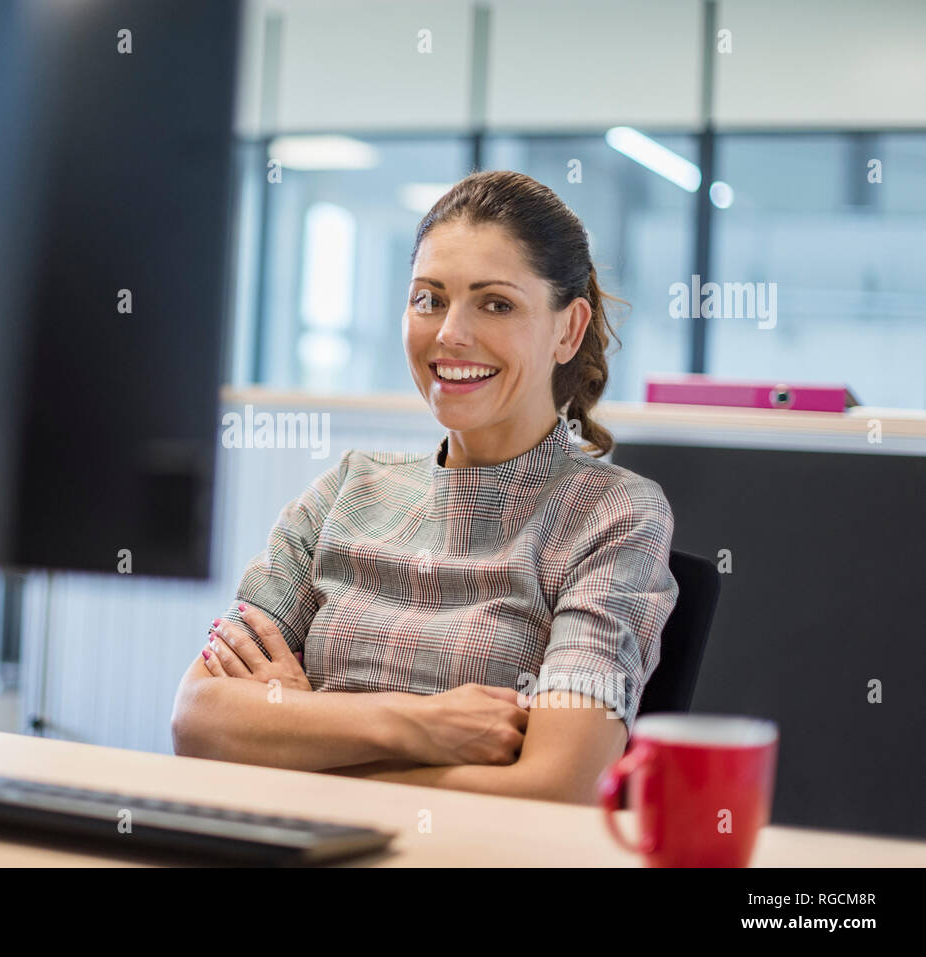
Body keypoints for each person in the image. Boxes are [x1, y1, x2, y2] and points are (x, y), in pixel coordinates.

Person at [170, 170, 679, 805]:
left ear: (568, 330)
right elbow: (198, 717)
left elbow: (556, 788)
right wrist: (418, 726)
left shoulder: (613, 516)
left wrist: (300, 735)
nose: (450, 334)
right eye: (429, 299)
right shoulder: (347, 489)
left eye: (495, 303)